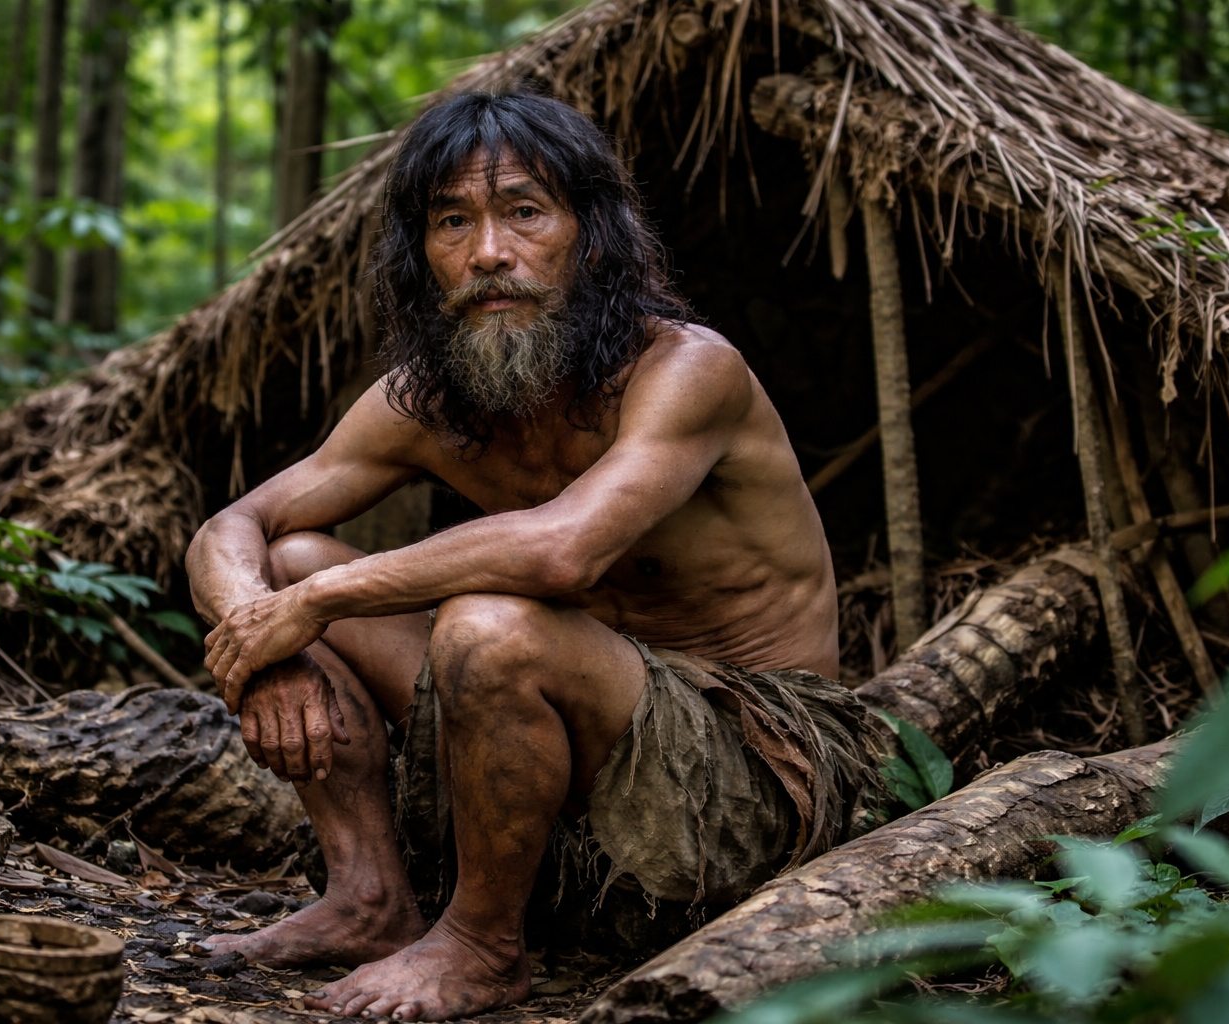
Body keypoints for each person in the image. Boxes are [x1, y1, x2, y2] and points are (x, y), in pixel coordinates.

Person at [185, 91, 880, 1022]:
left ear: (591, 237)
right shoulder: (427, 400)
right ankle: (368, 899)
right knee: (295, 558)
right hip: (569, 766)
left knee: (485, 622)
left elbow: (564, 551)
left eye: (523, 212)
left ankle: (481, 946)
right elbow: (230, 529)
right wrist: (258, 639)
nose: (487, 254)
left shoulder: (684, 370)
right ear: (421, 255)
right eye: (451, 222)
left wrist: (317, 605)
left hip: (753, 780)